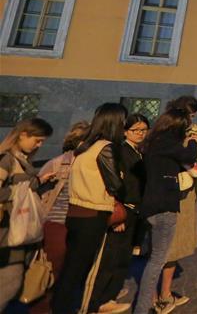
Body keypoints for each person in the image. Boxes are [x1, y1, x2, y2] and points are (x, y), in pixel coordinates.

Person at [52, 104, 125, 314]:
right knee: (81, 270)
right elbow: (115, 184)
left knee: (70, 269)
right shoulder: (106, 147)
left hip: (75, 211)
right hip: (94, 214)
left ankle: (60, 307)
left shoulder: (84, 145)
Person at [132, 104, 197, 314]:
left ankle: (148, 304)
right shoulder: (167, 143)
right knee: (157, 261)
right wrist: (194, 142)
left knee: (154, 258)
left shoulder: (152, 142)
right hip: (164, 207)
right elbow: (189, 156)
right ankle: (143, 308)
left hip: (150, 205)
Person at [88, 113, 148, 313]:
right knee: (111, 257)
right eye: (135, 130)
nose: (140, 133)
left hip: (136, 210)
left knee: (124, 256)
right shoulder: (120, 151)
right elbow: (114, 184)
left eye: (143, 130)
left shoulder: (139, 151)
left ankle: (111, 294)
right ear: (125, 131)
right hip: (123, 209)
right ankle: (98, 300)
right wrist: (118, 212)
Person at [31, 120, 88, 314]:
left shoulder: (61, 161)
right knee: (51, 272)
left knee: (58, 273)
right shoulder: (60, 162)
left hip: (67, 225)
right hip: (57, 223)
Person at [0, 118, 54, 312]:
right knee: (11, 281)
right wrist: (18, 191)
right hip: (7, 230)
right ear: (23, 134)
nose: (39, 145)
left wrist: (36, 182)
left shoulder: (18, 159)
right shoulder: (7, 158)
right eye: (37, 140)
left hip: (13, 229)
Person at [156, 95, 197, 313]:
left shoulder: (165, 132)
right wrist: (193, 143)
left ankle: (163, 293)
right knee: (169, 248)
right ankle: (161, 296)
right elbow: (183, 158)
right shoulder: (174, 135)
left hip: (180, 194)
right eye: (191, 116)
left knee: (169, 248)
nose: (193, 121)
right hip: (176, 195)